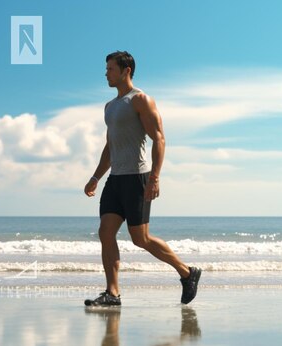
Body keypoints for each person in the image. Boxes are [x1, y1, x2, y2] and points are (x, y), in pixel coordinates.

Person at [84, 51, 201, 307]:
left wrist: (155, 177)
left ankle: (187, 272)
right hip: (115, 180)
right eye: (106, 68)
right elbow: (110, 146)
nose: (106, 73)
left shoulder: (141, 100)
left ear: (126, 71)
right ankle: (112, 293)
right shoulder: (110, 106)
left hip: (137, 177)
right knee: (106, 232)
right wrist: (95, 177)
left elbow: (159, 138)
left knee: (140, 239)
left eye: (110, 69)